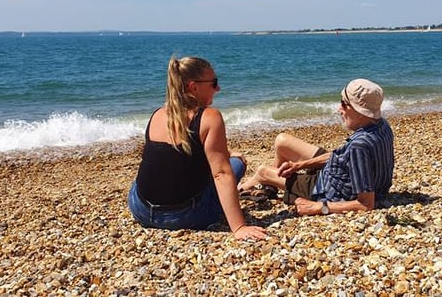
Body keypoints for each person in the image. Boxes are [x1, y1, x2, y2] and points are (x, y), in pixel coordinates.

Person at [127, 56, 266, 240]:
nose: (218, 88)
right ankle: (227, 208)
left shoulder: (157, 115)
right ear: (193, 87)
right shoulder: (210, 117)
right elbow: (221, 174)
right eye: (213, 83)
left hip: (141, 209)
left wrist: (225, 152)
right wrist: (239, 227)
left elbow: (170, 159)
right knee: (236, 164)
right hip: (184, 217)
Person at [238, 79, 394, 216]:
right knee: (282, 141)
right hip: (338, 172)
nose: (339, 109)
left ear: (360, 112)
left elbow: (366, 204)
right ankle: (271, 188)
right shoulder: (381, 125)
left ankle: (238, 190)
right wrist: (299, 165)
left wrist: (319, 207)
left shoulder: (359, 146)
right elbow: (343, 157)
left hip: (325, 189)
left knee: (262, 172)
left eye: (344, 104)